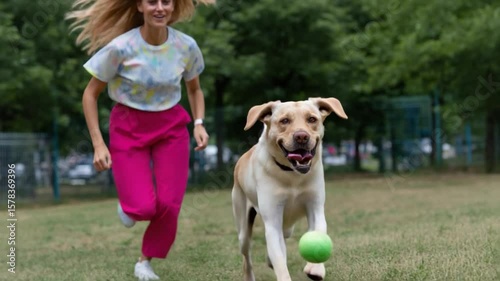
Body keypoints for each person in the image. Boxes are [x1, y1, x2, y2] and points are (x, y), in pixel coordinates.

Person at [67, 0, 215, 280]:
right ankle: (130, 205)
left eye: (166, 1)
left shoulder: (186, 46)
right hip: (128, 127)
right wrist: (99, 144)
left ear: (173, 6)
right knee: (143, 207)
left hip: (170, 126)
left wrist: (198, 123)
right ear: (139, 6)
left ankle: (144, 262)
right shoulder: (120, 48)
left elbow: (194, 89)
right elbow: (90, 95)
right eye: (152, 2)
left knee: (170, 205)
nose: (160, 7)